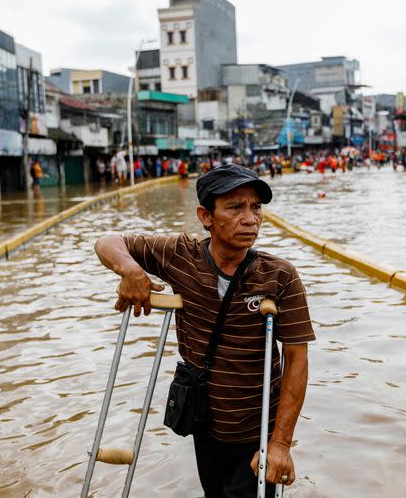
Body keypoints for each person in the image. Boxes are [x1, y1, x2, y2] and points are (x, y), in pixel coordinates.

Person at [94, 164, 314, 498]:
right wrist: (131, 271)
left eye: (256, 207)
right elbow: (108, 240)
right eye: (235, 207)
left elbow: (297, 358)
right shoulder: (181, 255)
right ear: (205, 216)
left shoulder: (280, 276)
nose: (251, 218)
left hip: (259, 431)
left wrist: (281, 443)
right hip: (205, 424)